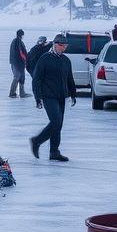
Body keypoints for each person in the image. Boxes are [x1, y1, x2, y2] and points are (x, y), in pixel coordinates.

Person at [29, 34, 77, 162]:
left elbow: (70, 78)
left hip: (62, 96)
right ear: (55, 44)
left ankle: (54, 152)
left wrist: (73, 94)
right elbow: (36, 79)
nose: (64, 48)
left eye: (66, 45)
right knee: (56, 121)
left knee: (59, 124)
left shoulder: (66, 60)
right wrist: (38, 97)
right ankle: (36, 141)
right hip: (48, 96)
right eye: (62, 45)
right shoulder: (45, 59)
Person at [26, 36, 51, 106]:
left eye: (43, 41)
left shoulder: (44, 48)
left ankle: (40, 99)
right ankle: (38, 100)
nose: (42, 43)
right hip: (34, 70)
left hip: (38, 70)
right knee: (37, 85)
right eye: (42, 42)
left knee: (40, 85)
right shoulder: (35, 49)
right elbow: (28, 62)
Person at [8, 29, 30, 99]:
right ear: (21, 35)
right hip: (17, 63)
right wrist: (25, 59)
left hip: (17, 62)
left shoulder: (17, 41)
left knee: (21, 77)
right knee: (17, 77)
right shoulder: (17, 41)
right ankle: (12, 93)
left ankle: (22, 93)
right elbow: (20, 53)